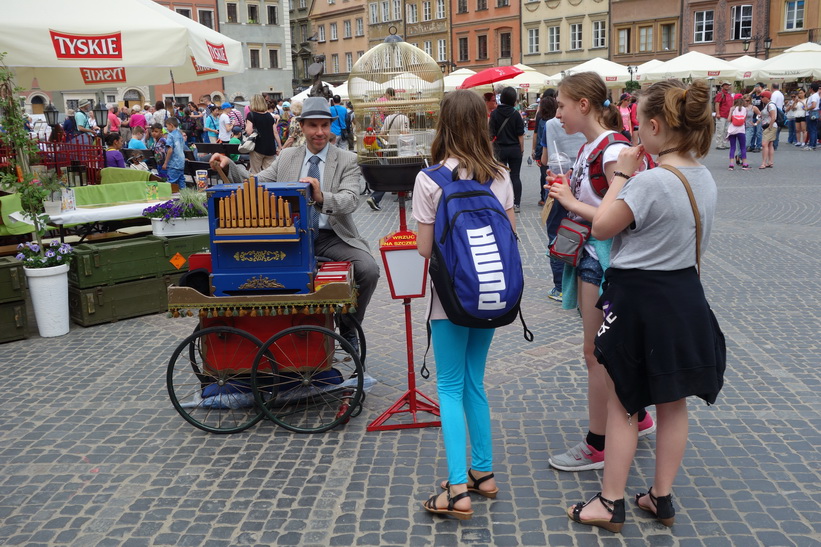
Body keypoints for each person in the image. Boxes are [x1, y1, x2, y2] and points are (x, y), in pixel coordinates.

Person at [567, 78, 725, 533]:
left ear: (654, 126)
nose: (635, 136)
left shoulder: (651, 181)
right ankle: (661, 496)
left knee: (624, 404)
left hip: (640, 298)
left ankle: (610, 502)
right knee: (673, 402)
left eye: (639, 127)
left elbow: (602, 226)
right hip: (684, 295)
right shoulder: (704, 176)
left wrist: (621, 174)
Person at [545, 71, 655, 473]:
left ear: (583, 105)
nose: (557, 114)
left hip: (602, 259)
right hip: (591, 257)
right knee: (601, 352)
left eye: (561, 105)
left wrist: (571, 202)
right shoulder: (595, 146)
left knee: (595, 354)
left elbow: (622, 218)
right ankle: (638, 418)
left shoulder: (610, 151)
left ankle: (599, 444)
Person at [208, 97, 380, 343]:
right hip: (290, 238)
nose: (319, 132)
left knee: (368, 270)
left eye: (324, 125)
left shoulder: (346, 159)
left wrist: (321, 196)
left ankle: (349, 327)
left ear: (331, 126)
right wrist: (229, 166)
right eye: (313, 126)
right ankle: (279, 331)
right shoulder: (288, 156)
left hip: (332, 236)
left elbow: (351, 199)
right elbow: (256, 183)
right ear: (302, 126)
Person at [414, 89, 511, 521]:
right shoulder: (501, 174)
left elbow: (422, 248)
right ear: (482, 124)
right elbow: (507, 236)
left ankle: (456, 490)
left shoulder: (430, 179)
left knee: (449, 388)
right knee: (474, 382)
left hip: (450, 300)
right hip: (490, 294)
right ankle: (483, 473)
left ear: (444, 125)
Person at [539, 99, 586, 303]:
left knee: (557, 234)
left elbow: (544, 159)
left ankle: (560, 286)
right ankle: (579, 284)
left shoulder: (550, 125)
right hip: (577, 185)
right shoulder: (599, 140)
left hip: (560, 183)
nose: (558, 114)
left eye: (561, 106)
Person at [489, 87, 525, 213]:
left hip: (499, 149)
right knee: (515, 176)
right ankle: (516, 204)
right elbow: (520, 134)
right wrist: (521, 149)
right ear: (514, 100)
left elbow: (490, 135)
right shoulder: (516, 114)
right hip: (514, 148)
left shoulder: (494, 113)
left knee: (501, 177)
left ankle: (502, 202)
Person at [532, 95, 557, 206]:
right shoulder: (557, 121)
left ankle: (544, 197)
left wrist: (537, 154)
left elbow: (538, 139)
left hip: (544, 153)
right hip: (556, 152)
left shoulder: (542, 120)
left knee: (544, 176)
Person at [245, 94, 278, 173]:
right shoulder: (269, 115)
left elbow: (249, 131)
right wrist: (279, 146)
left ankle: (258, 185)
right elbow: (275, 132)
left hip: (257, 147)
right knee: (269, 174)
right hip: (270, 148)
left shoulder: (251, 115)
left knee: (256, 173)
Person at [726, 94, 750, 171]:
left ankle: (731, 164)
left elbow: (729, 120)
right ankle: (745, 164)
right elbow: (744, 120)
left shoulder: (732, 108)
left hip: (732, 130)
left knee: (733, 147)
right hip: (741, 130)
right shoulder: (745, 109)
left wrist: (731, 111)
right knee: (743, 147)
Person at [162, 117, 186, 189]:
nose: (167, 128)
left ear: (171, 125)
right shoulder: (180, 134)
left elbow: (170, 150)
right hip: (181, 161)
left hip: (173, 162)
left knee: (171, 182)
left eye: (167, 126)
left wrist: (165, 162)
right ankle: (185, 196)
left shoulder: (171, 135)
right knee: (181, 181)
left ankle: (170, 197)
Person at [758, 90, 777, 169]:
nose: (761, 98)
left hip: (769, 126)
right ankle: (770, 162)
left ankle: (764, 163)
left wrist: (769, 126)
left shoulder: (770, 105)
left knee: (764, 144)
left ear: (766, 97)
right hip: (770, 126)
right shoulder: (768, 105)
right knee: (770, 144)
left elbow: (773, 117)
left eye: (762, 97)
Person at [713, 81, 732, 150]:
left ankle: (723, 143)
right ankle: (719, 144)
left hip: (727, 115)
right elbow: (717, 104)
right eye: (726, 85)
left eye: (728, 85)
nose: (727, 86)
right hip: (721, 115)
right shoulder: (721, 94)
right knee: (720, 130)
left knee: (726, 130)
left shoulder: (729, 95)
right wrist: (717, 113)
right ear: (723, 86)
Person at [748, 83, 764, 152]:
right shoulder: (753, 96)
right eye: (756, 87)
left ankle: (758, 146)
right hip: (753, 115)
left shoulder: (762, 95)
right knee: (753, 132)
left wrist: (761, 90)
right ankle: (752, 146)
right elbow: (746, 97)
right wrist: (752, 91)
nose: (757, 88)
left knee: (758, 132)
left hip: (759, 115)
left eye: (758, 87)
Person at [804, 82, 819, 151]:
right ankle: (813, 144)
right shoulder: (816, 95)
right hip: (815, 113)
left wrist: (807, 108)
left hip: (811, 113)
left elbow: (813, 105)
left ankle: (811, 145)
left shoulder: (814, 96)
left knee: (811, 130)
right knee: (814, 130)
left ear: (812, 89)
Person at [770, 83, 785, 150]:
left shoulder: (774, 94)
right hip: (780, 112)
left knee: (774, 130)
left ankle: (773, 145)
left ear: (772, 87)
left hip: (776, 113)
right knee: (777, 130)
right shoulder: (781, 94)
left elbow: (772, 104)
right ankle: (775, 144)